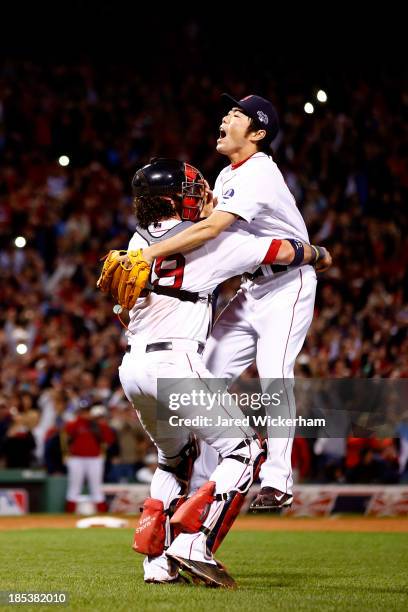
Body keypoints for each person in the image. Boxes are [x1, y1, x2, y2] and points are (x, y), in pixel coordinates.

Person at [117, 158, 327, 587]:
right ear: (175, 200)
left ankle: (156, 564)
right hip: (175, 364)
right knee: (245, 452)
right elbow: (284, 252)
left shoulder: (134, 243)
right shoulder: (214, 242)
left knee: (174, 460)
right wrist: (319, 253)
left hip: (132, 368)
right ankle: (193, 544)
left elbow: (122, 310)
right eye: (190, 192)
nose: (200, 197)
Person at [141, 94, 331, 511]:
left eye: (237, 114)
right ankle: (207, 485)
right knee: (206, 376)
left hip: (289, 282)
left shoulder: (259, 172)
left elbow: (213, 230)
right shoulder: (229, 173)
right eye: (228, 111)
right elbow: (215, 224)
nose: (225, 117)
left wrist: (147, 255)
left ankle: (278, 478)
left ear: (258, 133)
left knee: (274, 372)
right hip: (253, 286)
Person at [63, 403, 115, 513]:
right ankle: (68, 514)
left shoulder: (98, 425)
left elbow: (109, 438)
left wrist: (100, 421)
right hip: (76, 459)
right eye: (83, 411)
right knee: (74, 487)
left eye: (87, 411)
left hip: (95, 459)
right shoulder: (74, 424)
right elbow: (66, 432)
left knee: (96, 487)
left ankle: (102, 513)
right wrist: (79, 418)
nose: (85, 414)